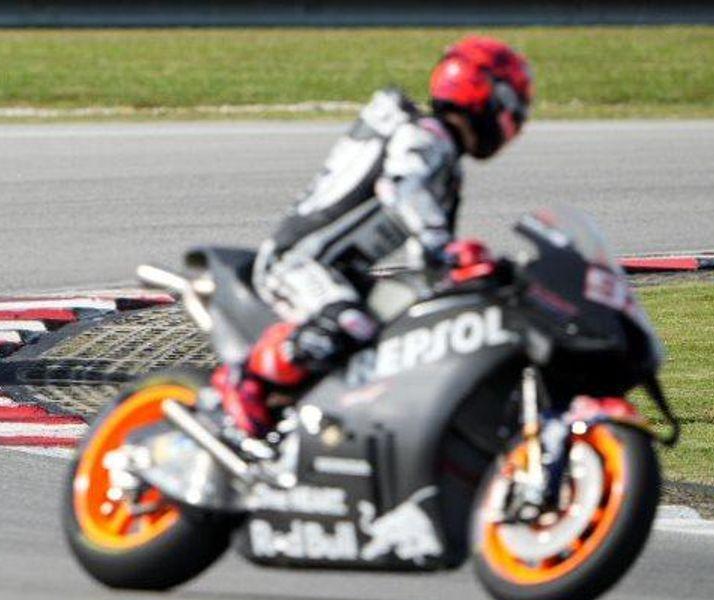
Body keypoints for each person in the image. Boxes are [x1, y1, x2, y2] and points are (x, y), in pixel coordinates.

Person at [214, 36, 533, 438]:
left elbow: (427, 264)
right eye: (513, 103)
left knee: (395, 341)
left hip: (342, 273)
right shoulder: (423, 135)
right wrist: (445, 249)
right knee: (350, 325)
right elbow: (402, 189)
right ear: (482, 94)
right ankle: (246, 381)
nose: (516, 119)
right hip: (300, 262)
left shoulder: (449, 167)